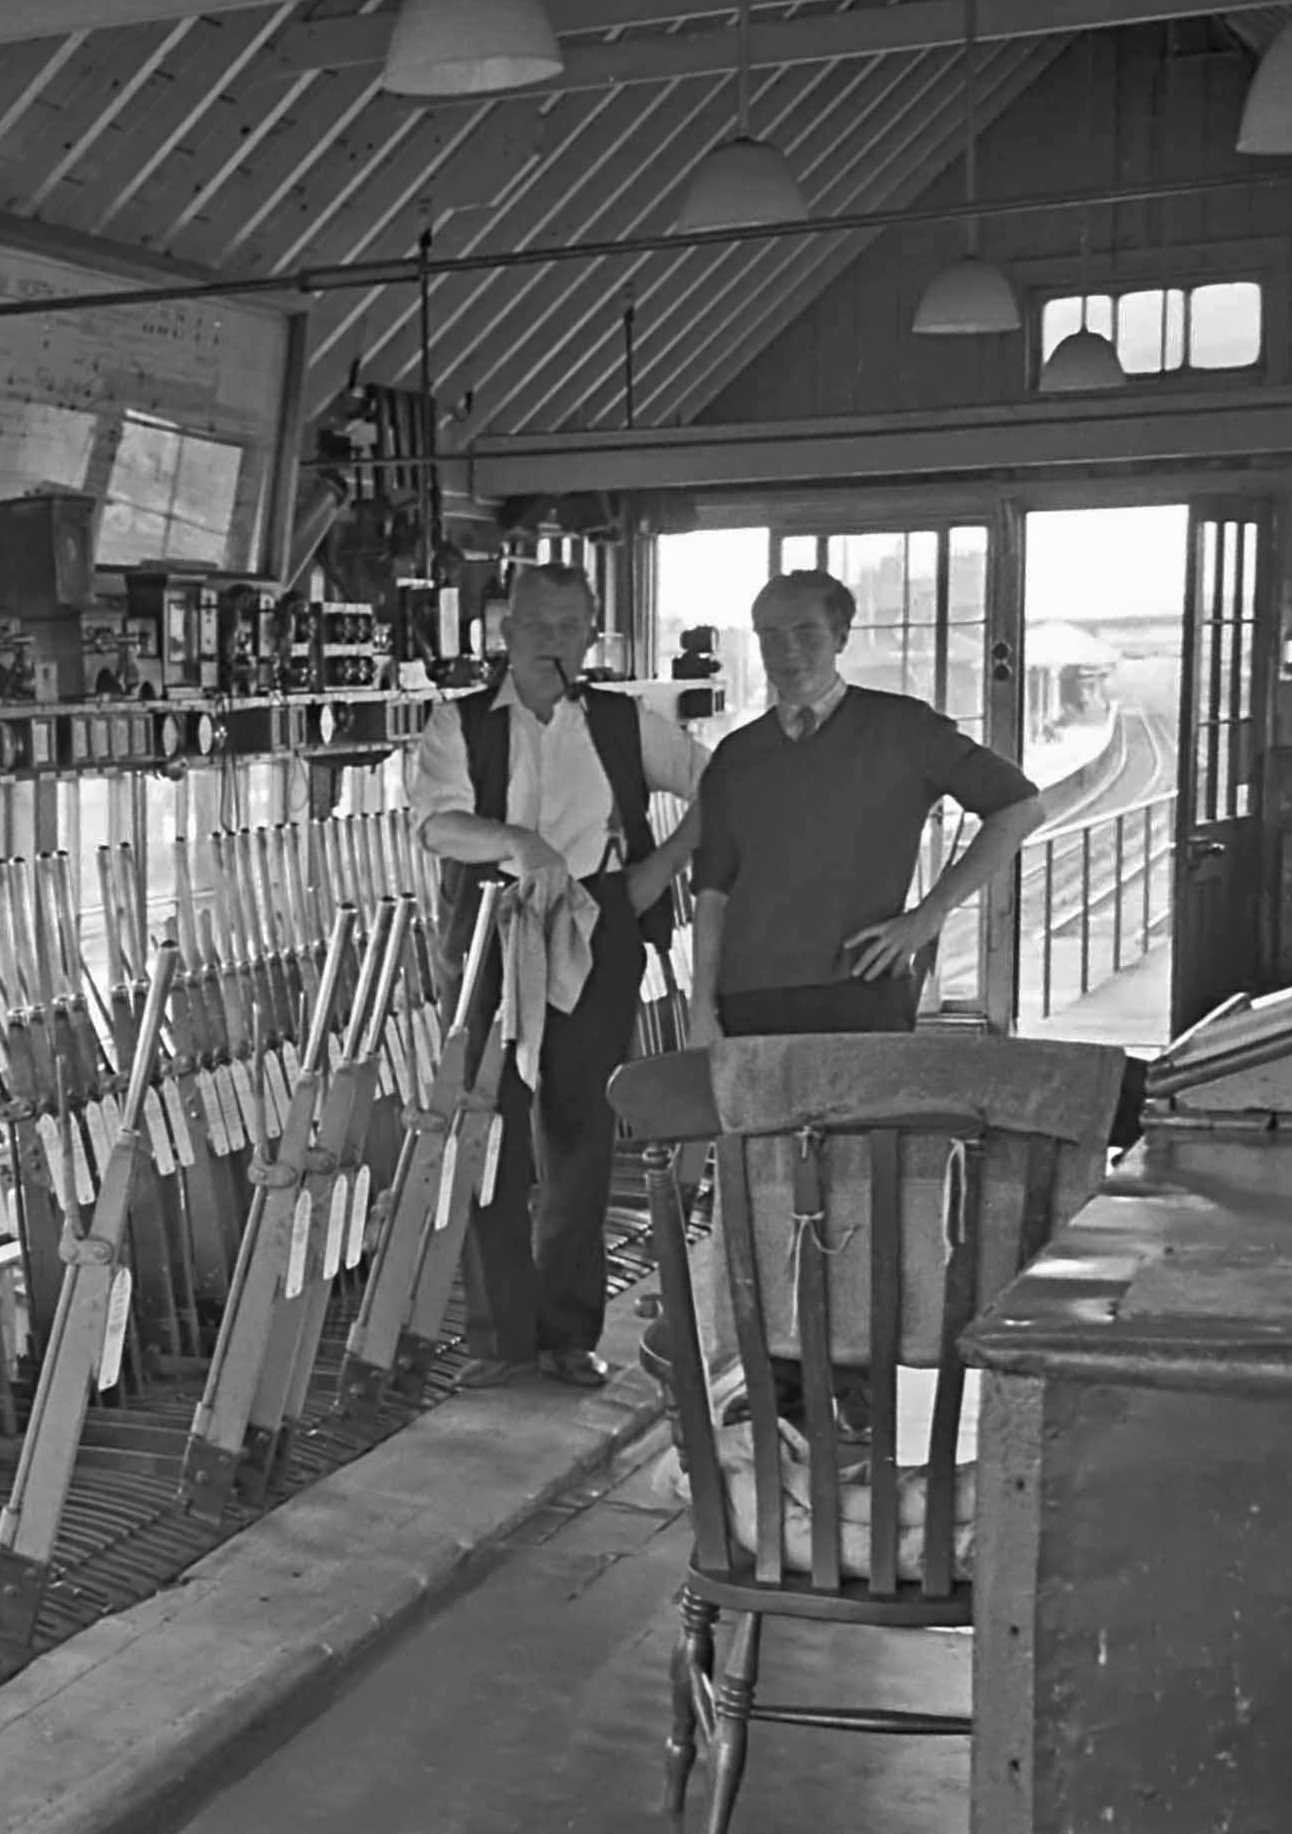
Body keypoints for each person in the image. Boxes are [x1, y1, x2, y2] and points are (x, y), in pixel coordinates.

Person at [408, 563, 705, 1388]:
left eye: (570, 626)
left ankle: (567, 1335)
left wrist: (656, 875)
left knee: (579, 1129)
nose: (552, 640)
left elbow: (722, 786)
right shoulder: (458, 723)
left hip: (596, 923)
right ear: (505, 631)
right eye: (537, 623)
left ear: (590, 635)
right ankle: (502, 1342)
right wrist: (518, 845)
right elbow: (437, 828)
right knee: (488, 1127)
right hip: (490, 931)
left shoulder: (619, 723)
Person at [688, 569, 1048, 1040]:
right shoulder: (736, 755)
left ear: (840, 637)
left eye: (805, 632)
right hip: (749, 997)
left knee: (867, 1117)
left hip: (861, 989)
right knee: (758, 1119)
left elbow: (1020, 807)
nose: (787, 650)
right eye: (769, 635)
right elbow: (713, 891)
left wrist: (930, 914)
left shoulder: (904, 729)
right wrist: (701, 1007)